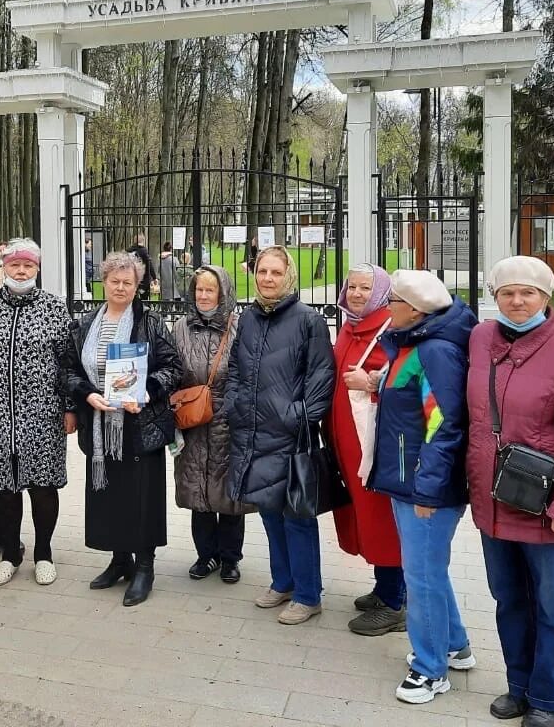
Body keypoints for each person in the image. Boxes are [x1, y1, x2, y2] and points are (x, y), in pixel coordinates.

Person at [466, 257, 554, 727]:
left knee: (551, 607)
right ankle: (519, 685)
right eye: (507, 292)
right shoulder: (481, 339)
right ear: (495, 296)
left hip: (545, 504)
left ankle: (549, 699)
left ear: (547, 297)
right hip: (494, 500)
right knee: (509, 599)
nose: (517, 301)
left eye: (528, 292)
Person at [361, 269, 476, 705]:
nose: (386, 310)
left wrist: (428, 490)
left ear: (413, 309)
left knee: (421, 576)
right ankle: (455, 645)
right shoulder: (413, 344)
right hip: (409, 479)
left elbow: (443, 424)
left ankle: (430, 670)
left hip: (424, 486)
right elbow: (409, 400)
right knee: (428, 571)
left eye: (391, 303)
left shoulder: (435, 351)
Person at [225, 246, 335, 625]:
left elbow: (321, 377)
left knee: (296, 516)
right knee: (269, 511)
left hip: (289, 435)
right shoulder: (249, 318)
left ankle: (308, 594)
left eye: (275, 272)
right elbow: (236, 369)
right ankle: (283, 581)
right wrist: (235, 406)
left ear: (288, 275)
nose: (268, 279)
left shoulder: (308, 320)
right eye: (262, 271)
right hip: (253, 430)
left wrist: (297, 416)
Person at [66, 251, 184, 606]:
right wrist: (87, 395)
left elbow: (173, 366)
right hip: (99, 426)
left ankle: (144, 566)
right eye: (114, 281)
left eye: (128, 282)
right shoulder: (86, 323)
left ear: (138, 286)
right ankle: (119, 560)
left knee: (142, 497)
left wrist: (147, 392)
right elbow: (68, 369)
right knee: (109, 495)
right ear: (104, 282)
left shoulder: (150, 322)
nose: (120, 287)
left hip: (138, 425)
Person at [0, 238, 75, 587]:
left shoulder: (54, 307)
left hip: (42, 414)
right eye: (15, 265)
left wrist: (70, 408)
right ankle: (10, 552)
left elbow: (68, 361)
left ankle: (43, 553)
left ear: (37, 268)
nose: (21, 270)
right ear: (3, 268)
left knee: (42, 486)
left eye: (28, 265)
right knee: (3, 490)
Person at [331, 264, 407, 636]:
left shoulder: (390, 327)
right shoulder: (349, 327)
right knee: (365, 515)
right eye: (353, 286)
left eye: (366, 288)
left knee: (382, 518)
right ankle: (385, 586)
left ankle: (395, 602)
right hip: (349, 443)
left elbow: (410, 378)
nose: (357, 294)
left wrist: (373, 380)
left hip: (375, 444)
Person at [171, 265, 253, 583]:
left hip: (228, 421)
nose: (204, 296)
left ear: (223, 293)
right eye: (199, 290)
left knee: (230, 496)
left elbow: (249, 372)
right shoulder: (180, 327)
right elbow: (170, 364)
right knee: (198, 492)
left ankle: (231, 558)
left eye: (210, 290)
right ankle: (206, 555)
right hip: (192, 421)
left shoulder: (238, 326)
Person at [126, 232, 159, 297]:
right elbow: (149, 265)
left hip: (131, 277)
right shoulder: (143, 251)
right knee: (144, 298)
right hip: (144, 279)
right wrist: (154, 277)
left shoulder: (128, 251)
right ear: (143, 241)